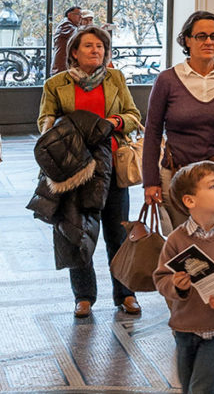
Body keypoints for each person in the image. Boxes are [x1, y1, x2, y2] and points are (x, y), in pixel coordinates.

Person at [34, 25, 143, 318]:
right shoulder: (56, 84)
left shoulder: (115, 78)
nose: (96, 50)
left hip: (113, 166)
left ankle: (126, 293)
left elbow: (133, 115)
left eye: (100, 47)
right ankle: (83, 296)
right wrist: (59, 131)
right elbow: (44, 119)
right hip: (75, 167)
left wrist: (114, 122)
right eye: (89, 46)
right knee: (76, 231)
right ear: (74, 52)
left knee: (118, 232)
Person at [153, 161, 214, 394]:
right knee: (188, 386)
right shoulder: (176, 239)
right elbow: (161, 277)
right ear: (190, 201)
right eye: (213, 186)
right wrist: (177, 286)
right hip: (185, 327)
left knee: (202, 388)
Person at [143, 11, 214, 232]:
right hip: (178, 177)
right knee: (182, 244)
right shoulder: (167, 80)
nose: (209, 41)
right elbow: (152, 131)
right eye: (201, 36)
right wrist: (150, 182)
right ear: (187, 40)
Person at [51, 6, 81, 74]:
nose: (80, 17)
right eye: (78, 14)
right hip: (62, 68)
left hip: (63, 67)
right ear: (69, 15)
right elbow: (78, 34)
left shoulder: (70, 25)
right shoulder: (66, 25)